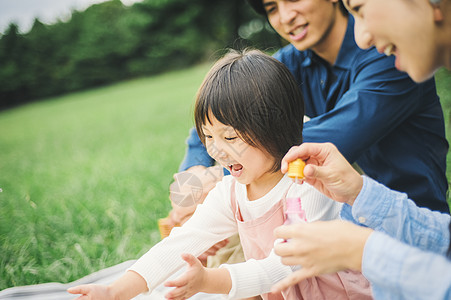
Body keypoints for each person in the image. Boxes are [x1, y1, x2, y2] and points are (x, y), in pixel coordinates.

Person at [67, 49, 372, 300]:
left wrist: (209, 280)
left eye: (230, 137)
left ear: (275, 128)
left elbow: (286, 266)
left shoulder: (304, 182)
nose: (217, 151)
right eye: (208, 137)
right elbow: (182, 242)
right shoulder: (231, 192)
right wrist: (114, 291)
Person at [176, 0, 450, 213]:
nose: (285, 17)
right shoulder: (293, 62)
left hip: (410, 221)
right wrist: (193, 174)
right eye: (272, 8)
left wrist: (217, 175)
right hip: (341, 213)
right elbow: (217, 119)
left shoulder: (391, 53)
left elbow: (333, 139)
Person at [271, 0, 451, 298]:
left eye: (360, 8)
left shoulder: (386, 62)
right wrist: (359, 192)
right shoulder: (295, 61)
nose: (362, 37)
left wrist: (364, 251)